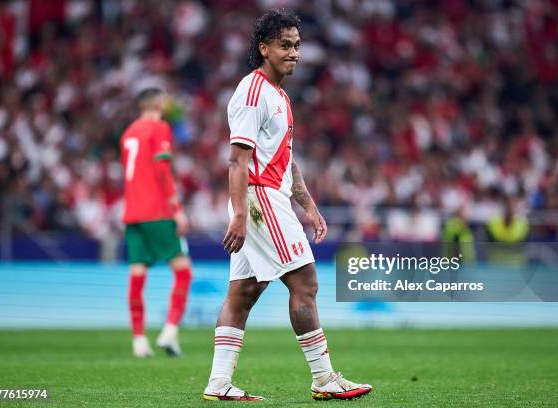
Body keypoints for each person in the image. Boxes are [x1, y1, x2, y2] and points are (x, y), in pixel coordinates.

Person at [203, 9, 372, 401]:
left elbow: (285, 160)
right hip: (259, 199)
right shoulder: (252, 92)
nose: (294, 53)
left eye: (297, 45)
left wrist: (309, 206)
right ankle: (324, 378)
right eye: (285, 45)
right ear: (264, 49)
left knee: (242, 292)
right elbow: (237, 160)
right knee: (305, 282)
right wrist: (242, 214)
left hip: (266, 197)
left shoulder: (278, 95)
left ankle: (218, 383)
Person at [120, 88, 192, 358]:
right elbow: (162, 170)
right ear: (160, 104)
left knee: (137, 274)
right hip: (157, 212)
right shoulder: (159, 127)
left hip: (132, 213)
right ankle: (170, 331)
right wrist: (176, 208)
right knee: (183, 273)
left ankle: (139, 341)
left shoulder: (128, 132)